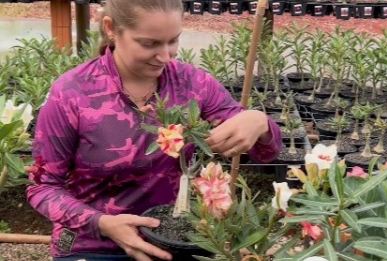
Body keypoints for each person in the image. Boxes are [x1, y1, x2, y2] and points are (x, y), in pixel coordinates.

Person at [25, 0, 282, 260]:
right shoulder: (72, 93)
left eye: (173, 40)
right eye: (149, 44)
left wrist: (259, 122)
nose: (166, 56)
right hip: (93, 243)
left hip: (176, 237)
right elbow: (42, 187)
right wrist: (101, 223)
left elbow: (266, 153)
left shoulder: (192, 84)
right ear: (111, 28)